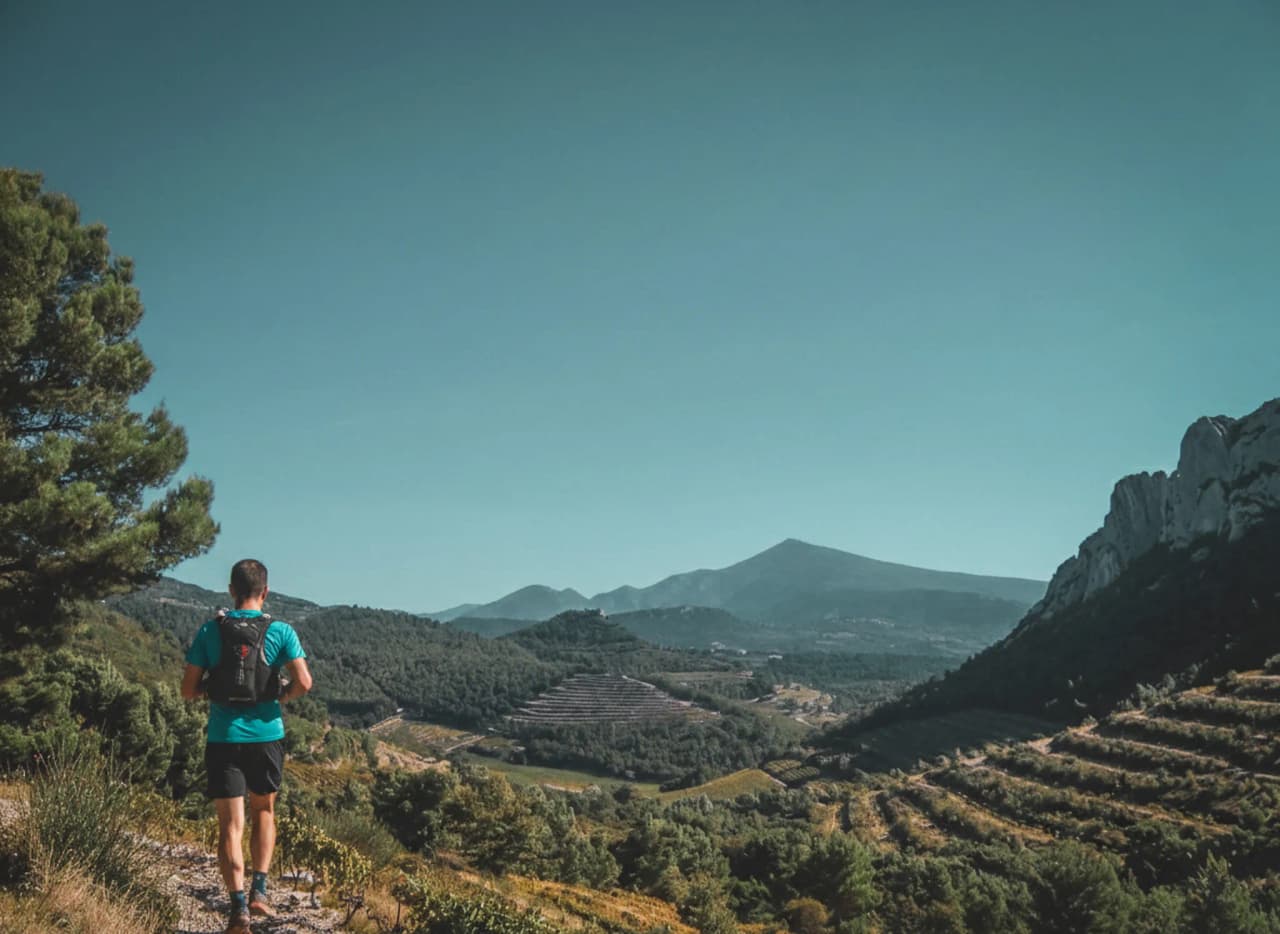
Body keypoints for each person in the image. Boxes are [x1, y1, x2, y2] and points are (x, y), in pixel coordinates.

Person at [182, 558, 313, 934]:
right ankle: (260, 890)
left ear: (231, 590)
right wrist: (281, 698)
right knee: (264, 811)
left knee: (229, 825)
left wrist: (212, 689)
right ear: (266, 591)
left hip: (224, 737)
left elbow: (187, 689)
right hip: (267, 735)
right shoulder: (282, 631)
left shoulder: (210, 630)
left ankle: (237, 908)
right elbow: (304, 682)